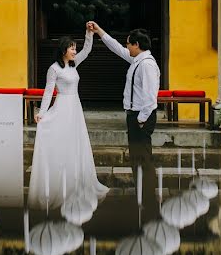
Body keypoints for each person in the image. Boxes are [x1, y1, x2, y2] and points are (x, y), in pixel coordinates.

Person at [27, 25, 109, 210]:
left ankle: (77, 184)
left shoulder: (73, 64)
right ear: (64, 50)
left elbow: (87, 50)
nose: (75, 51)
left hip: (75, 107)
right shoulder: (54, 69)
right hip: (62, 107)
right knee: (63, 145)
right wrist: (42, 113)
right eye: (72, 48)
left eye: (75, 48)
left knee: (76, 143)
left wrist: (89, 33)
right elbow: (49, 92)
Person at [88, 21, 160, 208]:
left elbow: (151, 96)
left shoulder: (147, 65)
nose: (127, 46)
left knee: (143, 158)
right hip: (135, 115)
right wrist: (99, 31)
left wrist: (141, 119)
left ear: (137, 45)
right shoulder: (138, 60)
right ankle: (142, 196)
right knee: (138, 158)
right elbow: (117, 48)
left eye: (129, 43)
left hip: (141, 117)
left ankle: (148, 199)